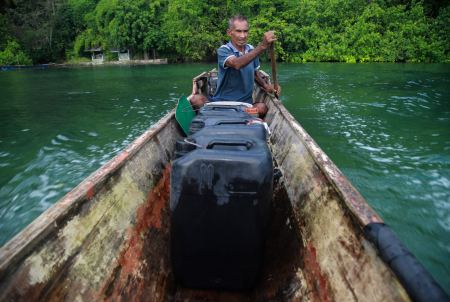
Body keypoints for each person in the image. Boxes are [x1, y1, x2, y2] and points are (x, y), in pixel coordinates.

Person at [190, 14, 281, 118]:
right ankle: (236, 115)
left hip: (245, 105)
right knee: (196, 100)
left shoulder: (252, 50)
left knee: (262, 108)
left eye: (245, 31)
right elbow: (236, 64)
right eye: (238, 31)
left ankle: (224, 115)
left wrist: (266, 86)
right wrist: (262, 46)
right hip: (221, 102)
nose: (243, 36)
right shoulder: (224, 50)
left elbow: (255, 74)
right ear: (229, 32)